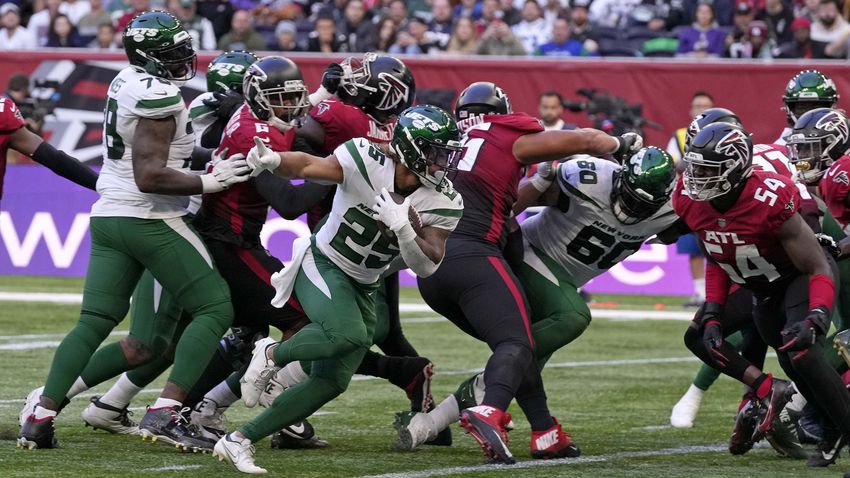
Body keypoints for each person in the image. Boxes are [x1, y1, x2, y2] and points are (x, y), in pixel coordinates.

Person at [17, 11, 243, 451]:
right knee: (216, 308)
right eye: (172, 53)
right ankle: (165, 412)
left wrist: (203, 161)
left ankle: (40, 415)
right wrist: (210, 180)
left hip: (110, 216)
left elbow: (157, 159)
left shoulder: (127, 79)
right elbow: (150, 175)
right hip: (149, 217)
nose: (183, 59)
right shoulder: (160, 98)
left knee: (94, 322)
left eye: (183, 49)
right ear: (151, 56)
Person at [213, 104, 465, 473]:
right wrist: (272, 161)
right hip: (323, 261)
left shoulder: (444, 199)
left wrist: (404, 229)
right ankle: (271, 354)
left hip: (364, 282)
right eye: (437, 152)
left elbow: (427, 264)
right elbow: (308, 166)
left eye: (447, 153)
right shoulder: (365, 157)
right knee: (346, 333)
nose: (444, 162)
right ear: (413, 148)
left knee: (331, 380)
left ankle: (239, 440)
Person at [394, 147, 680, 452]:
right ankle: (495, 410)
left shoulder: (674, 211)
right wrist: (538, 186)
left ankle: (443, 425)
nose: (631, 208)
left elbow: (701, 224)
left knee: (523, 360)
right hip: (531, 256)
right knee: (573, 317)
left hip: (560, 283)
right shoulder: (588, 177)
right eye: (629, 196)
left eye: (642, 205)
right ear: (621, 176)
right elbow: (511, 206)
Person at [417, 81, 643, 464]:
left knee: (515, 344)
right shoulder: (505, 134)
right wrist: (622, 145)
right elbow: (586, 140)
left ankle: (545, 432)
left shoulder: (450, 142)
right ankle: (490, 410)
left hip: (429, 267)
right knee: (517, 344)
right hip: (471, 254)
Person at [676, 121, 850, 474]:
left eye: (707, 169)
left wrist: (817, 314)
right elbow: (717, 253)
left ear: (735, 166)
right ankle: (791, 403)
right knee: (710, 337)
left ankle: (840, 428)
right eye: (695, 167)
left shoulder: (768, 196)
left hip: (798, 274)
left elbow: (817, 264)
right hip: (759, 286)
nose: (696, 177)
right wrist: (712, 310)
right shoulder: (689, 198)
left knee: (800, 349)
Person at [665, 92, 715, 311]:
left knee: (719, 245)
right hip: (691, 196)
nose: (701, 110)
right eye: (697, 106)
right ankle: (700, 292)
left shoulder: (722, 132)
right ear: (690, 110)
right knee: (693, 248)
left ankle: (716, 294)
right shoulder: (680, 135)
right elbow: (672, 164)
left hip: (717, 195)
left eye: (705, 106)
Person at [776, 70, 839, 145]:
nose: (808, 114)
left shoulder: (842, 139)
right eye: (802, 107)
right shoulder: (781, 146)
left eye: (816, 107)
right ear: (789, 108)